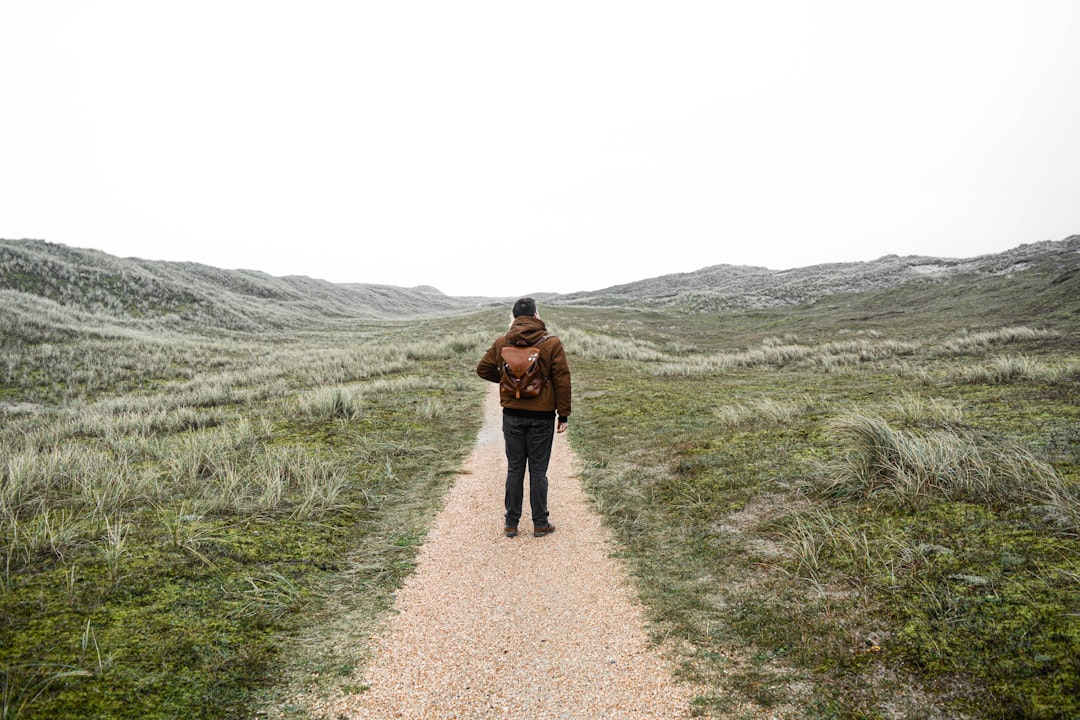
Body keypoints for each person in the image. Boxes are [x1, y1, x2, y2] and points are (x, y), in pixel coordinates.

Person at [476, 297, 572, 538]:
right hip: (542, 417)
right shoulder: (551, 343)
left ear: (515, 317)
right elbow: (562, 380)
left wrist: (508, 382)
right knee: (538, 470)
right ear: (535, 315)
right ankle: (540, 523)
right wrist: (563, 414)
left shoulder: (502, 342)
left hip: (512, 416)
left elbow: (483, 369)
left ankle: (511, 523)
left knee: (515, 468)